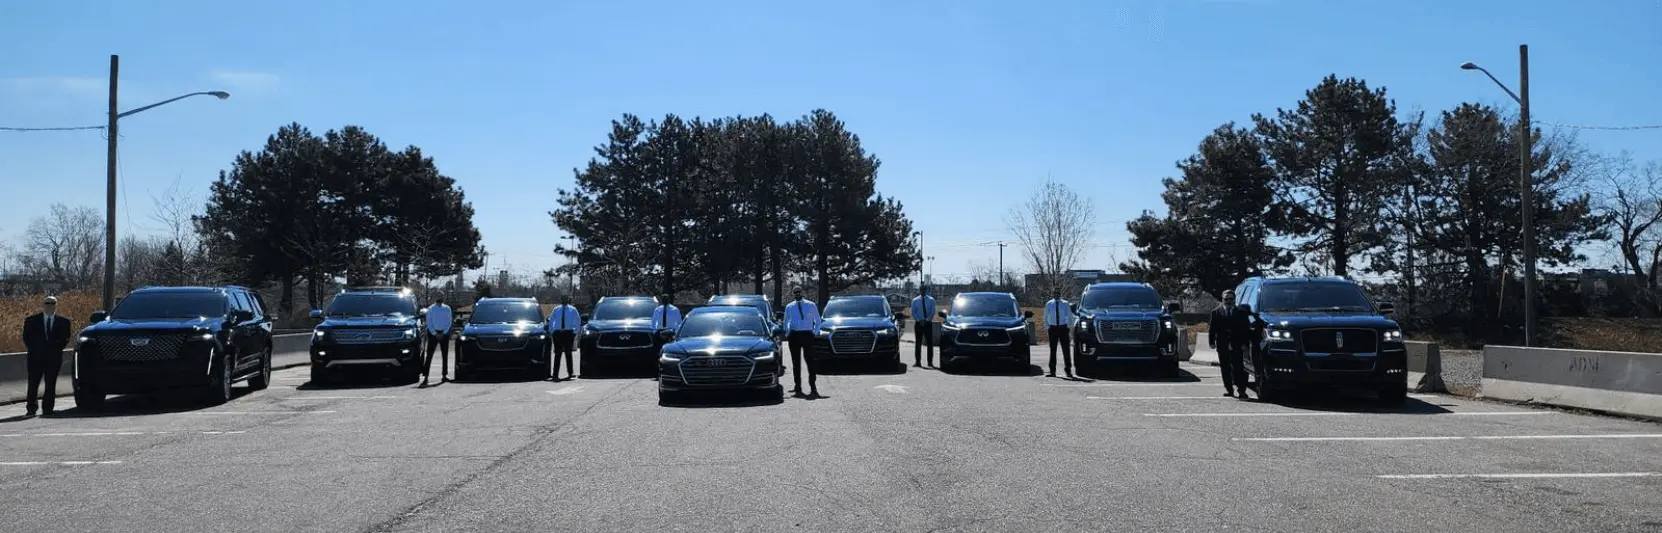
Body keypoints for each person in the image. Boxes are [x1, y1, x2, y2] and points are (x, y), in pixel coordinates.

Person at [22, 296, 72, 417]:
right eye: (47, 303)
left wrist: (55, 348)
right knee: (33, 383)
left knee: (50, 383)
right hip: (35, 357)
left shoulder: (64, 322)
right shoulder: (31, 320)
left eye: (52, 303)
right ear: (43, 305)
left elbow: (65, 338)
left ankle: (48, 408)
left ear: (56, 305)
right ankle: (31, 408)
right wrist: (35, 349)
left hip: (54, 357)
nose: (49, 305)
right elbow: (26, 338)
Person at [1208, 290, 1250, 399]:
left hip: (1237, 344)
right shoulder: (1216, 312)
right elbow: (1212, 329)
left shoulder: (1241, 312)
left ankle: (1242, 390)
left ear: (1235, 300)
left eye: (1231, 299)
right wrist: (1211, 342)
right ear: (1222, 300)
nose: (1228, 301)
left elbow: (1245, 330)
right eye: (1226, 299)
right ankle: (1229, 389)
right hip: (1222, 345)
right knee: (1225, 368)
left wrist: (1245, 344)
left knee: (1239, 368)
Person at [781, 286, 822, 398]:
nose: (797, 294)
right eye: (795, 292)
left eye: (799, 292)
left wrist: (814, 332)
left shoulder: (811, 305)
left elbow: (817, 320)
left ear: (802, 292)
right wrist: (787, 332)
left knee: (810, 361)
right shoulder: (790, 307)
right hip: (794, 335)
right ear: (793, 293)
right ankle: (797, 386)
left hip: (807, 334)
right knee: (795, 362)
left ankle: (813, 387)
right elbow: (786, 320)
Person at [1043, 288, 1075, 378]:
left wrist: (1070, 327)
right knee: (1053, 350)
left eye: (1058, 293)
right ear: (1053, 294)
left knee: (1066, 350)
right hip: (1053, 328)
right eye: (1055, 293)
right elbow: (1045, 316)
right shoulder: (1049, 304)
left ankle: (1068, 371)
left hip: (1063, 328)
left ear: (1060, 294)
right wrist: (1048, 327)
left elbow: (1069, 315)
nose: (1056, 294)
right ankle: (1052, 371)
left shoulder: (1065, 303)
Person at [422, 297, 454, 386]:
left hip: (444, 333)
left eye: (441, 296)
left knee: (445, 355)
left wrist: (444, 332)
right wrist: (434, 333)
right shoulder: (431, 309)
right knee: (429, 355)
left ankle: (444, 375)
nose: (439, 297)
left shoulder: (447, 308)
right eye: (438, 295)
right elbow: (429, 322)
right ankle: (426, 377)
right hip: (433, 334)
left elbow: (449, 321)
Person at [547, 294, 580, 381]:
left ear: (568, 300)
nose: (564, 300)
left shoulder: (573, 310)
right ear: (561, 300)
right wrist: (552, 331)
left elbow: (577, 320)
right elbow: (551, 320)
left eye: (566, 299)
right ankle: (555, 375)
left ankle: (570, 373)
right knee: (557, 354)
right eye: (563, 299)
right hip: (558, 333)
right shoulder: (556, 309)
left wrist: (575, 331)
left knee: (568, 353)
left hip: (568, 333)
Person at [909, 286, 937, 368]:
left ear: (926, 290)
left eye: (924, 290)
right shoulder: (915, 300)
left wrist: (927, 320)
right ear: (919, 291)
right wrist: (919, 320)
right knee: (918, 343)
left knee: (929, 343)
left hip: (928, 323)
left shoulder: (931, 300)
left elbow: (933, 311)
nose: (922, 291)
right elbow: (913, 312)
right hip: (918, 324)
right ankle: (918, 362)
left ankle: (930, 362)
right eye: (921, 290)